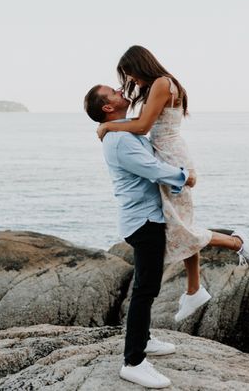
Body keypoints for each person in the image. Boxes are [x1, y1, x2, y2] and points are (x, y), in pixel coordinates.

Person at [96, 45, 249, 323]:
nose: (132, 82)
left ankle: (237, 243)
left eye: (131, 75)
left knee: (181, 226)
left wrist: (107, 127)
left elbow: (141, 127)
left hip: (171, 157)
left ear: (141, 66)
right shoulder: (159, 85)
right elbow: (141, 122)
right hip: (166, 153)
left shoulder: (162, 83)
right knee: (180, 223)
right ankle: (194, 290)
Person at [84, 83, 196, 389]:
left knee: (148, 287)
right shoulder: (120, 140)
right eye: (115, 93)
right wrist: (185, 177)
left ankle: (143, 339)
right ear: (108, 107)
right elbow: (151, 168)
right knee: (145, 290)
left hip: (146, 217)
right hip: (144, 221)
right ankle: (133, 362)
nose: (122, 91)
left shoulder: (122, 131)